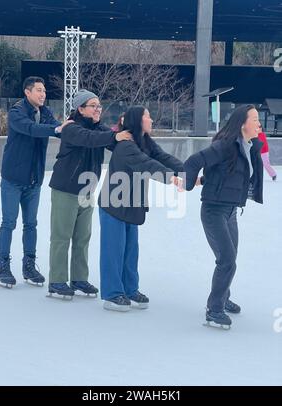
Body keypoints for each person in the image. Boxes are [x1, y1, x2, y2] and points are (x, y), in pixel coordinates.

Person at [183, 105, 263, 328]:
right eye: (255, 119)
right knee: (227, 260)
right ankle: (214, 309)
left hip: (230, 211)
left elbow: (227, 174)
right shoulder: (226, 145)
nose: (259, 124)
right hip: (213, 210)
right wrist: (188, 184)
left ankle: (223, 297)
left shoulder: (248, 146)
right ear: (242, 123)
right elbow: (193, 162)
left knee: (231, 258)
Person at [98, 106, 184, 311]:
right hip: (114, 205)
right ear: (138, 120)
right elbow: (146, 164)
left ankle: (129, 289)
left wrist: (186, 171)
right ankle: (112, 294)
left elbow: (163, 158)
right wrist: (170, 178)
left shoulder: (145, 141)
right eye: (148, 116)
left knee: (130, 250)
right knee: (114, 250)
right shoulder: (127, 145)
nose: (151, 119)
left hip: (132, 204)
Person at [48, 89, 132, 298]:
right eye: (93, 105)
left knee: (82, 237)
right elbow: (89, 139)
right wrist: (114, 135)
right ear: (80, 108)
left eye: (99, 106)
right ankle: (57, 281)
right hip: (65, 189)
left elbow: (111, 141)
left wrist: (127, 132)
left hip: (87, 190)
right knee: (61, 237)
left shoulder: (100, 129)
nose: (98, 109)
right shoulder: (71, 128)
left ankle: (79, 278)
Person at [0, 76, 72, 288]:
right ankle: (3, 266)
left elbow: (57, 127)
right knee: (9, 223)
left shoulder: (44, 112)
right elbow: (31, 129)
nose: (43, 94)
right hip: (13, 178)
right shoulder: (16, 112)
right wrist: (56, 129)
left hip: (34, 180)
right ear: (27, 92)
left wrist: (69, 128)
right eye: (39, 90)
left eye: (45, 91)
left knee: (31, 224)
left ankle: (28, 266)